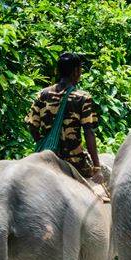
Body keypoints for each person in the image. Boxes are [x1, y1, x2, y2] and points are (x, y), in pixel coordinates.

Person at [24, 52, 105, 184]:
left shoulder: (43, 94)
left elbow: (32, 125)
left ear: (58, 71)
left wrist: (41, 142)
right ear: (76, 72)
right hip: (74, 161)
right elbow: (89, 132)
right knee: (100, 192)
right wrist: (96, 167)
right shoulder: (83, 98)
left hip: (45, 157)